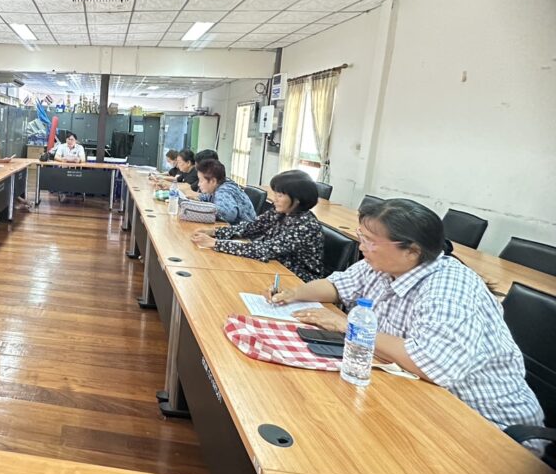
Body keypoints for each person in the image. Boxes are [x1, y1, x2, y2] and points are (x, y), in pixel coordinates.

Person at [270, 198, 546, 450]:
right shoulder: (381, 266)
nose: (361, 246)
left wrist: (348, 325)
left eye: (369, 240)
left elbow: (431, 364)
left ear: (412, 251)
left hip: (486, 426)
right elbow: (337, 286)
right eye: (361, 236)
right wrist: (294, 294)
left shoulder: (448, 289)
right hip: (420, 398)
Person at [192, 169, 324, 281]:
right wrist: (214, 232)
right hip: (274, 267)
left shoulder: (306, 226)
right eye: (275, 194)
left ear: (297, 199)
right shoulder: (281, 212)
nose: (275, 199)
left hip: (296, 279)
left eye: (279, 195)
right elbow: (251, 227)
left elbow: (265, 249)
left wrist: (215, 243)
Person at [181, 158, 256, 225]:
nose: (198, 184)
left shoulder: (224, 191)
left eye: (201, 180)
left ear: (213, 181)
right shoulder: (220, 185)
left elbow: (228, 215)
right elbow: (209, 197)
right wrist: (197, 198)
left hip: (245, 233)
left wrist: (199, 210)